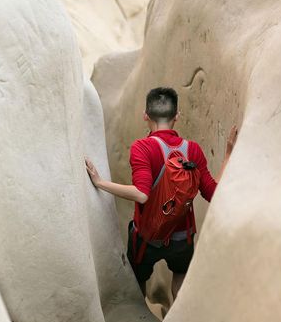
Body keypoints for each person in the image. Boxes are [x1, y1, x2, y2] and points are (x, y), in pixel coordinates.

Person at [86, 86, 238, 300]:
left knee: (138, 283)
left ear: (145, 116)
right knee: (181, 280)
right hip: (182, 239)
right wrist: (228, 156)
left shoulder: (142, 148)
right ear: (177, 116)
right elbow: (213, 194)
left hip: (147, 239)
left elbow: (141, 194)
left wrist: (100, 183)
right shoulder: (192, 150)